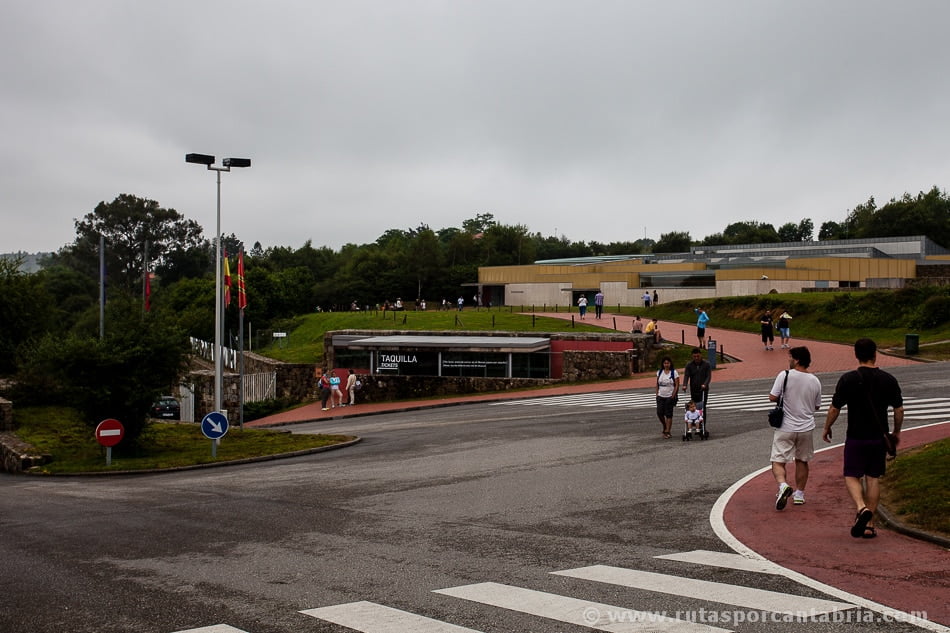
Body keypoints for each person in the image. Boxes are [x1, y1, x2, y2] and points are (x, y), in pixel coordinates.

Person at [822, 338, 904, 539]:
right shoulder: (889, 379)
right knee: (873, 478)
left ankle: (861, 508)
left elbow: (835, 408)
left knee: (851, 475)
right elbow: (899, 410)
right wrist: (895, 432)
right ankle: (869, 524)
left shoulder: (848, 379)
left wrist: (827, 427)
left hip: (856, 436)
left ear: (856, 355)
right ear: (875, 354)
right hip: (878, 437)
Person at [769, 346, 822, 510]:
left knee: (778, 460)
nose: (789, 360)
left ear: (797, 359)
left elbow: (773, 397)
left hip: (786, 426)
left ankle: (783, 485)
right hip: (806, 427)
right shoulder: (815, 380)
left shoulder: (784, 375)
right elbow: (817, 406)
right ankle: (799, 494)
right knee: (802, 460)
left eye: (790, 357)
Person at [682, 347, 712, 421]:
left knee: (702, 407)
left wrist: (705, 384)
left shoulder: (706, 364)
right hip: (694, 389)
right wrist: (685, 384)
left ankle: (703, 426)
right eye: (694, 356)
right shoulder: (689, 365)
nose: (696, 358)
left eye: (698, 356)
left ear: (701, 355)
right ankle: (695, 422)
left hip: (703, 389)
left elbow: (708, 376)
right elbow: (686, 375)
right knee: (694, 407)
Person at [655, 356, 680, 439]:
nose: (666, 365)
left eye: (668, 363)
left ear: (670, 364)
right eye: (665, 363)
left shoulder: (674, 372)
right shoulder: (659, 372)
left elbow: (676, 384)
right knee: (659, 412)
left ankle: (667, 431)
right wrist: (657, 394)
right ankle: (665, 426)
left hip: (669, 396)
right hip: (661, 395)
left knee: (668, 414)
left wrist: (673, 395)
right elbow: (657, 384)